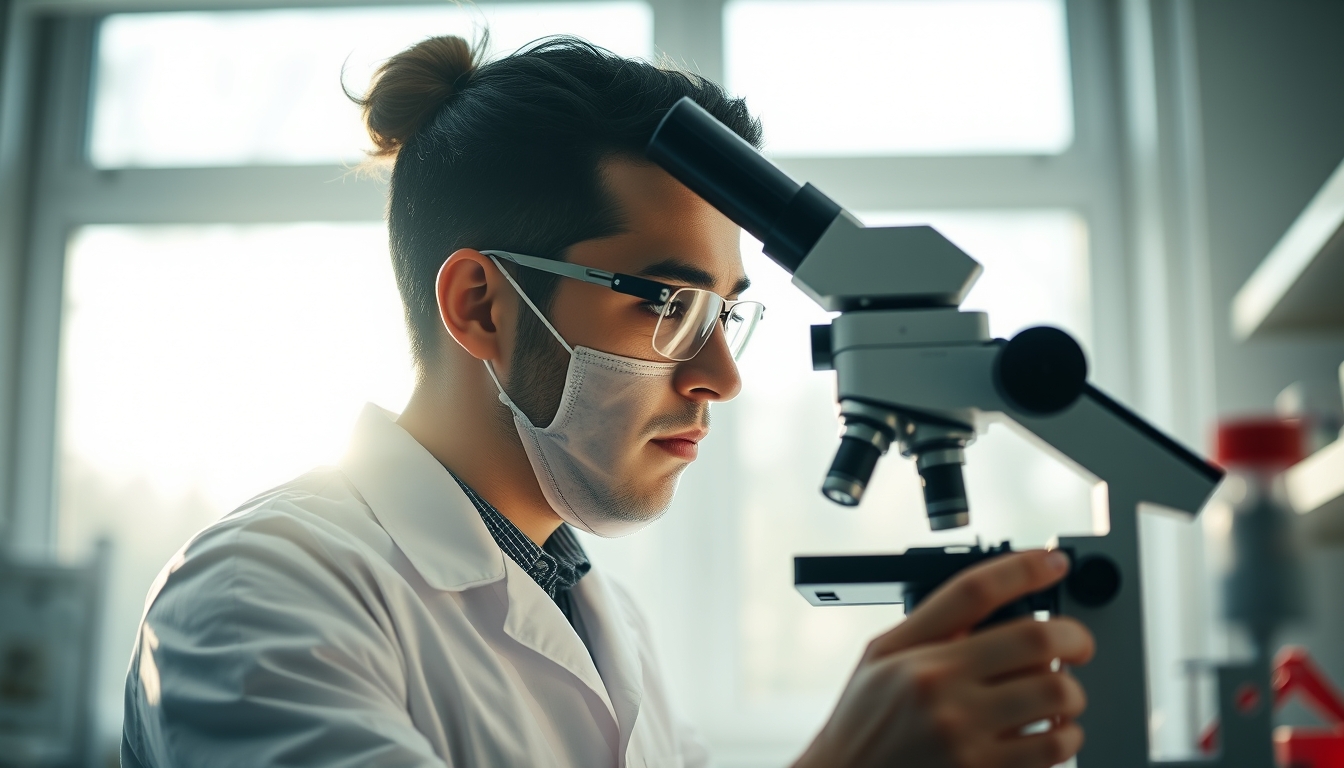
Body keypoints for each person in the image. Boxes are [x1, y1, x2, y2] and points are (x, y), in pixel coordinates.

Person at [121, 34, 1095, 768]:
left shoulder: (602, 617)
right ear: (481, 305)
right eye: (670, 304)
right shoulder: (258, 596)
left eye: (727, 314)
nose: (723, 374)